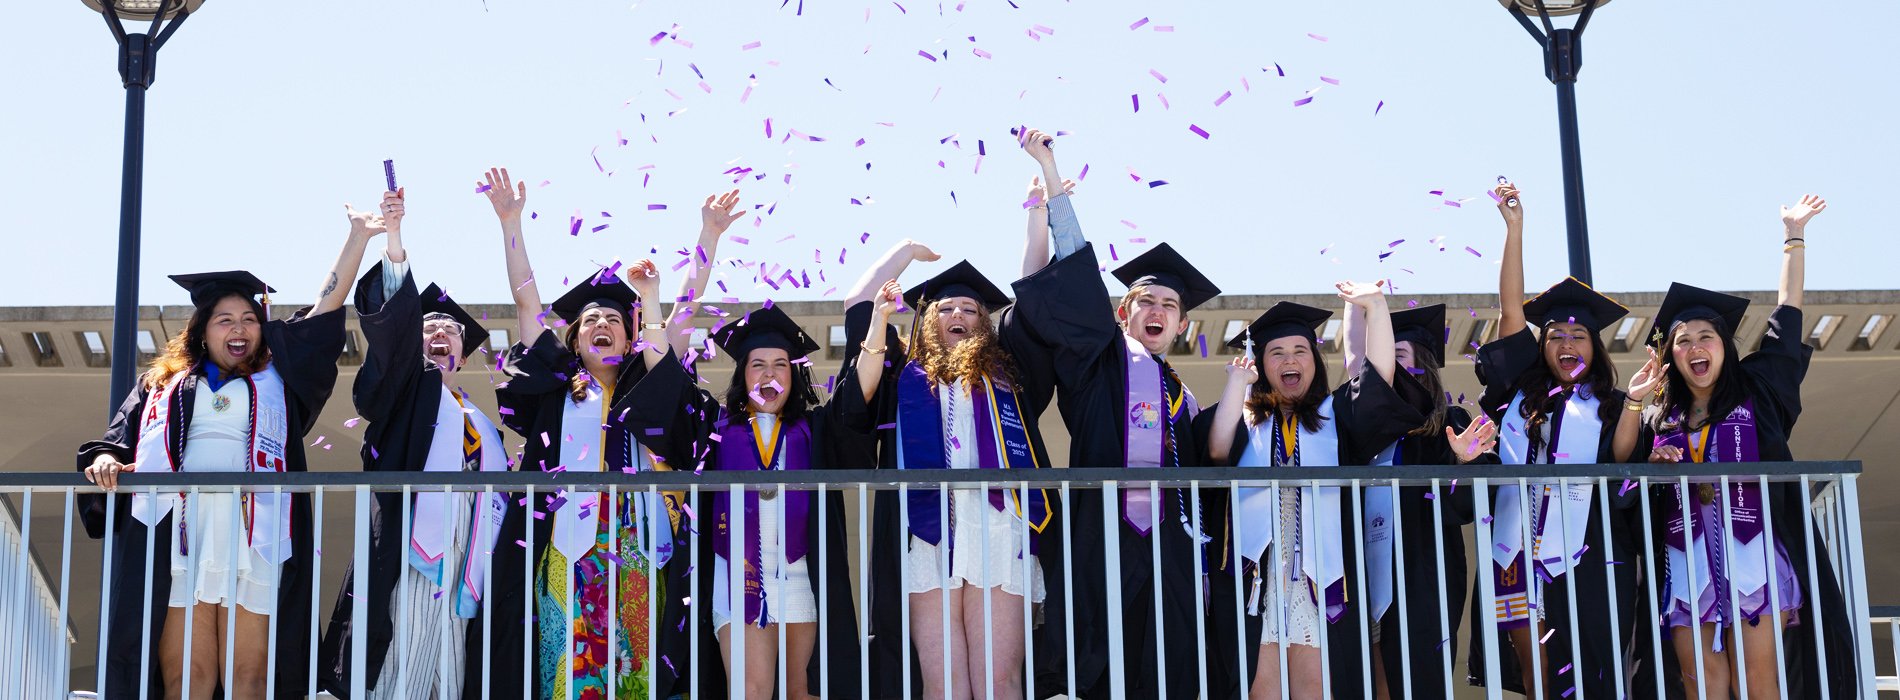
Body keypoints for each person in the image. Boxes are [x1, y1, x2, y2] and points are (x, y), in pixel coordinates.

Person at [78, 204, 376, 698]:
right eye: (224, 320)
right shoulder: (161, 384)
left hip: (255, 529)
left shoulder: (278, 379)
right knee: (187, 677)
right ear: (202, 329)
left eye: (248, 319)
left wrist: (358, 239)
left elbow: (323, 313)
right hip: (176, 531)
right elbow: (116, 439)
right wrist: (105, 458)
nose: (238, 329)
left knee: (250, 677)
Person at [1007, 127, 1236, 698]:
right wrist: (1052, 180)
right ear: (1122, 313)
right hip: (1101, 532)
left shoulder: (1182, 396)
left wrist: (1237, 390)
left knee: (1169, 662)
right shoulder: (1100, 360)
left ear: (1182, 325)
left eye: (1170, 306)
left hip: (1172, 542)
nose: (1158, 312)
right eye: (1146, 302)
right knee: (1094, 659)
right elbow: (1075, 276)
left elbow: (1213, 453)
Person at [1620, 194, 1857, 698]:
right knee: (1703, 684)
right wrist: (1657, 460)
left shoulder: (1758, 392)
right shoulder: (1662, 417)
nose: (1695, 347)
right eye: (1683, 341)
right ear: (1672, 356)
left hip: (1753, 556)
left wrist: (1793, 236)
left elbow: (1787, 315)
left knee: (1758, 681)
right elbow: (1625, 468)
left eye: (1707, 336)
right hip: (1688, 559)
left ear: (1725, 345)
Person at [471, 167, 689, 699]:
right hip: (568, 545)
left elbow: (674, 332)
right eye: (591, 318)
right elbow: (527, 304)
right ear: (574, 335)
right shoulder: (557, 389)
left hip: (637, 543)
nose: (602, 325)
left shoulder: (649, 388)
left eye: (614, 319)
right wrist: (510, 224)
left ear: (631, 333)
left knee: (633, 670)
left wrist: (659, 287)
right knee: (572, 672)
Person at [315, 188, 514, 698]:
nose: (441, 333)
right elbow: (394, 342)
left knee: (452, 667)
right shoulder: (407, 390)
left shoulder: (483, 423)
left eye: (450, 329)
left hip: (471, 555)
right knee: (401, 662)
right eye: (429, 327)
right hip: (413, 545)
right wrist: (395, 240)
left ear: (465, 357)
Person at [622, 304, 873, 699]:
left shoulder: (815, 429)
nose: (769, 375)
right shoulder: (715, 427)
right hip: (736, 579)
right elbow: (666, 379)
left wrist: (878, 323)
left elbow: (860, 391)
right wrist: (651, 297)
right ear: (742, 374)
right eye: (758, 365)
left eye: (780, 365)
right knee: (750, 692)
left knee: (802, 691)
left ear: (794, 376)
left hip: (800, 578)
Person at [845, 245, 1055, 700]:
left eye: (971, 309)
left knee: (998, 681)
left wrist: (1037, 215)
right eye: (946, 308)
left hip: (1001, 531)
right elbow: (857, 306)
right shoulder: (902, 370)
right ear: (928, 320)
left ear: (985, 324)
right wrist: (904, 253)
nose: (958, 313)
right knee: (943, 684)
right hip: (926, 535)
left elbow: (1036, 300)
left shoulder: (1010, 375)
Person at [1198, 289, 1426, 700]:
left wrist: (1375, 308)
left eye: (1300, 350)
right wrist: (1237, 385)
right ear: (1261, 365)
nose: (1289, 360)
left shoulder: (1336, 416)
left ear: (1314, 362)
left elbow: (1379, 381)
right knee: (1258, 688)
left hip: (1320, 577)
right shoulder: (1245, 418)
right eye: (1277, 352)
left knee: (1316, 688)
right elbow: (1216, 450)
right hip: (1258, 576)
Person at [1467, 181, 1641, 699]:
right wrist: (1515, 228)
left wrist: (1636, 408)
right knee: (1534, 673)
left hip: (1592, 553)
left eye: (1579, 336)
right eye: (1556, 337)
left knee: (1594, 671)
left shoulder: (1611, 406)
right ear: (1542, 349)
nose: (1566, 343)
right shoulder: (1518, 394)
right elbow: (1511, 312)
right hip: (1515, 551)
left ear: (1596, 348)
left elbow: (1623, 459)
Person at [1342, 302, 1498, 698]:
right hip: (1360, 574)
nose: (1384, 366)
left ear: (1422, 368)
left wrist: (1462, 461)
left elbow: (1466, 508)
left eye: (1396, 355)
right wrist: (1355, 308)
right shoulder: (1362, 427)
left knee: (1417, 680)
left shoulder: (1450, 424)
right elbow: (1355, 363)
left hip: (1421, 577)